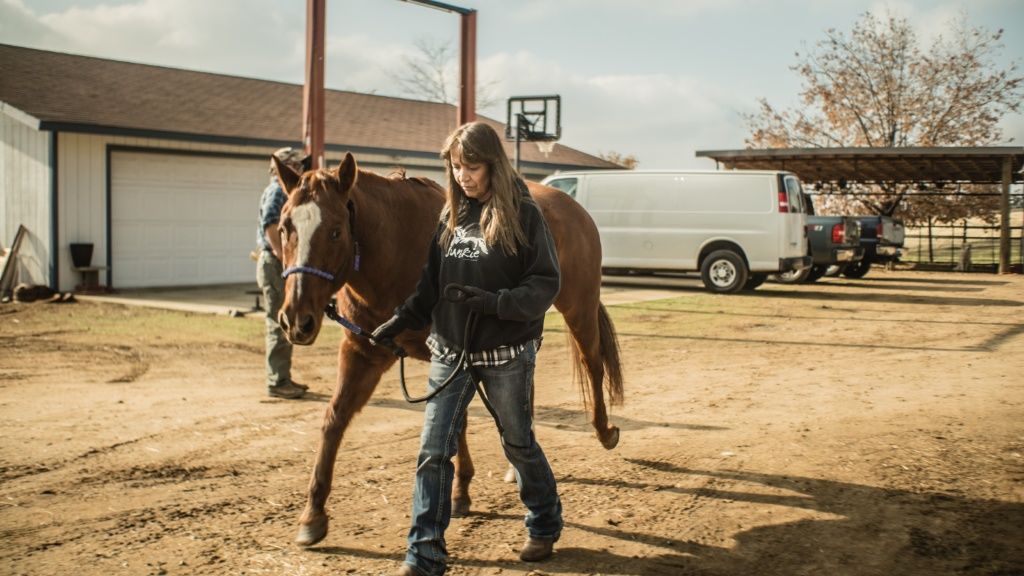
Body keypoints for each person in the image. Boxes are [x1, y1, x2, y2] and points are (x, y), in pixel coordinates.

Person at [372, 122, 563, 576]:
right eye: (455, 167)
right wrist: (401, 321)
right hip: (450, 351)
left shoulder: (524, 214)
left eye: (471, 166)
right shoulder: (450, 216)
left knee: (517, 442)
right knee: (434, 452)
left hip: (507, 354)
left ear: (493, 164)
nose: (462, 176)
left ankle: (544, 520)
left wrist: (499, 303)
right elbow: (430, 284)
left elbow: (544, 283)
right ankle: (424, 553)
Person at [257, 147, 310, 400]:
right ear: (287, 167)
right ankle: (277, 381)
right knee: (279, 322)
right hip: (274, 263)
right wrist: (283, 257)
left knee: (285, 320)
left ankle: (282, 377)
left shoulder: (282, 190)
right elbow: (270, 224)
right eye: (297, 166)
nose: (301, 169)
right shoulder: (277, 190)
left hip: (276, 262)